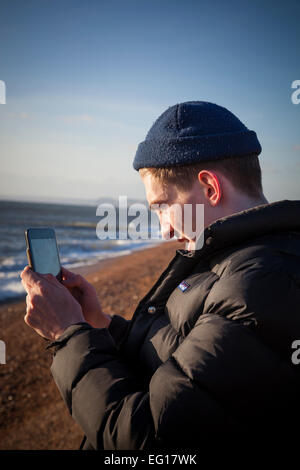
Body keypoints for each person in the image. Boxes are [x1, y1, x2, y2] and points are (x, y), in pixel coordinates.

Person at [21, 101, 300, 450]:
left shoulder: (259, 284)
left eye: (163, 206)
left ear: (210, 188)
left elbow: (151, 440)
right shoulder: (232, 260)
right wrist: (97, 323)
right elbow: (179, 359)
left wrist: (67, 335)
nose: (165, 230)